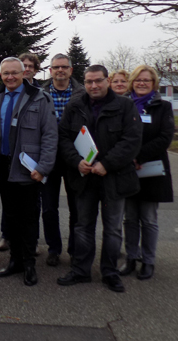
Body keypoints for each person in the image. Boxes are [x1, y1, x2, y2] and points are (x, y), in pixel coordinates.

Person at [57, 65, 142, 293]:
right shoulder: (74, 106)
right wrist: (76, 161)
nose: (93, 86)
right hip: (84, 178)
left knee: (113, 229)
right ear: (84, 83)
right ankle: (81, 271)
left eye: (98, 81)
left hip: (114, 177)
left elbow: (131, 140)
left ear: (107, 80)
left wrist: (107, 164)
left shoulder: (125, 106)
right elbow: (64, 137)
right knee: (83, 226)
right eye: (89, 82)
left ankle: (110, 272)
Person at [0, 57, 57, 287]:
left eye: (15, 72)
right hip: (4, 168)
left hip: (29, 170)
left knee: (28, 218)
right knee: (12, 217)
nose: (10, 77)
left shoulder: (40, 98)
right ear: (1, 75)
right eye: (6, 73)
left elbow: (49, 135)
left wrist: (43, 167)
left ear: (24, 72)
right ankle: (14, 260)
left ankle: (28, 264)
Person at [119, 65, 174, 280]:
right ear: (132, 82)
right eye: (138, 80)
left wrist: (138, 156)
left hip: (152, 170)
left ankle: (148, 261)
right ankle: (131, 258)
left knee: (149, 219)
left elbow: (164, 137)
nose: (142, 83)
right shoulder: (124, 105)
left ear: (154, 84)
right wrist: (127, 158)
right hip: (127, 170)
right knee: (130, 218)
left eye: (147, 81)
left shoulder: (163, 107)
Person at [39, 54, 86, 266]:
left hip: (75, 157)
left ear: (70, 70)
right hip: (49, 156)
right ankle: (54, 248)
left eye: (64, 67)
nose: (60, 70)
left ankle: (75, 248)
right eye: (56, 67)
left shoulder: (82, 94)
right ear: (50, 70)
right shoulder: (41, 93)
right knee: (48, 207)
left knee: (76, 206)